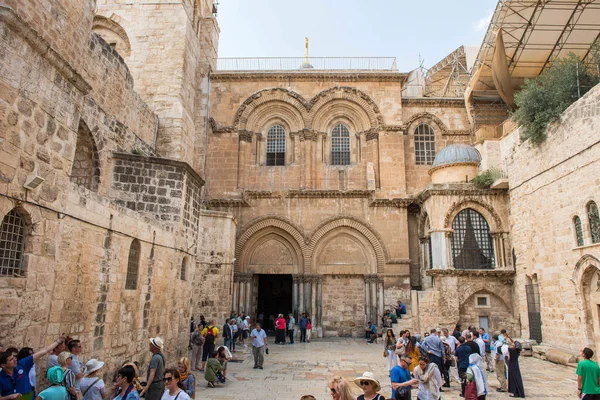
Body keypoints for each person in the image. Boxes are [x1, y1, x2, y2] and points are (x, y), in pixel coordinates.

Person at [1, 335, 66, 400]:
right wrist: (10, 397)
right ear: (3, 365)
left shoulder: (21, 365)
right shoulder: (1, 377)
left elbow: (44, 351)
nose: (15, 360)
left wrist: (58, 341)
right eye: (11, 360)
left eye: (14, 357)